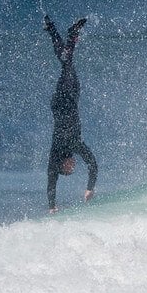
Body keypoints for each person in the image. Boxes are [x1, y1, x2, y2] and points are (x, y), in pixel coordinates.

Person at [44, 15, 98, 213]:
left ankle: (68, 32)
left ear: (63, 164)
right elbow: (51, 180)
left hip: (66, 101)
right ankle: (54, 29)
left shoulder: (71, 145)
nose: (73, 167)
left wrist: (90, 188)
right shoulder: (57, 151)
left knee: (67, 62)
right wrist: (51, 205)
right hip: (60, 104)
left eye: (69, 168)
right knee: (67, 62)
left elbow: (92, 164)